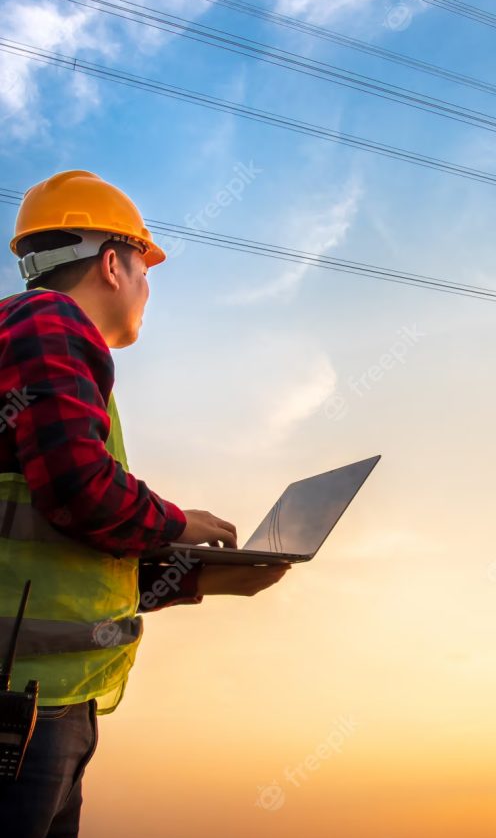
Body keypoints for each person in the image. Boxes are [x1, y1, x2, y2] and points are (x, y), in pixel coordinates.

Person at [0, 170, 289, 837]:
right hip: (23, 708)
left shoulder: (39, 338)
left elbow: (67, 550)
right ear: (111, 263)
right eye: (144, 268)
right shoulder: (49, 323)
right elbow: (80, 491)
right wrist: (181, 523)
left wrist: (200, 579)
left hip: (48, 704)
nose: (147, 287)